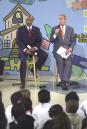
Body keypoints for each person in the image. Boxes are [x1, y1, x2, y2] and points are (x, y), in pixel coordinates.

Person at [16, 15, 48, 88]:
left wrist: (35, 48)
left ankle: (34, 69)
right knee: (23, 61)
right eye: (27, 20)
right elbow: (18, 41)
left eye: (30, 20)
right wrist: (25, 49)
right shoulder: (20, 29)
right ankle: (22, 82)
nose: (28, 21)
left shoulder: (37, 29)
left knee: (44, 55)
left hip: (34, 49)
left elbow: (40, 41)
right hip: (24, 50)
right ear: (25, 20)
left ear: (32, 21)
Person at [50, 14, 76, 90]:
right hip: (58, 51)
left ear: (65, 19)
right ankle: (65, 82)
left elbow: (73, 41)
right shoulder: (54, 28)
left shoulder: (70, 29)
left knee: (69, 61)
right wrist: (55, 34)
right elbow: (51, 40)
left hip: (67, 50)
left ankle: (64, 81)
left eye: (61, 19)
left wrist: (70, 48)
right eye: (59, 19)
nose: (59, 20)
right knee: (60, 62)